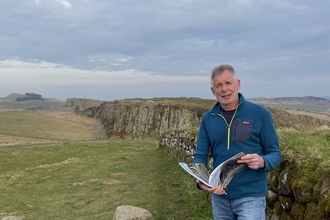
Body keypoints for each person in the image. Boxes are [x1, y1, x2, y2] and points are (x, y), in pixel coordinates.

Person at [193, 64, 282, 220]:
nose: (224, 89)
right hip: (219, 198)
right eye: (219, 85)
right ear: (213, 91)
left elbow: (275, 153)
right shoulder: (208, 118)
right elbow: (200, 155)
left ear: (238, 84)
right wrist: (200, 181)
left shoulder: (260, 114)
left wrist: (262, 161)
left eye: (228, 83)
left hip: (251, 197)